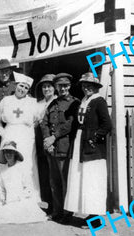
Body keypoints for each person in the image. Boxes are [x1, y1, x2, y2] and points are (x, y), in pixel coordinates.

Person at [64, 72, 112, 227]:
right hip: (80, 144)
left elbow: (107, 125)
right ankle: (82, 213)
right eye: (84, 86)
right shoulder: (83, 101)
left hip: (93, 148)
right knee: (80, 178)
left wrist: (95, 138)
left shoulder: (99, 101)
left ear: (95, 87)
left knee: (93, 180)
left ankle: (95, 218)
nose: (87, 88)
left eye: (90, 86)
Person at [40, 73, 80, 222]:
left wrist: (53, 137)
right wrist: (46, 140)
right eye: (60, 86)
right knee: (54, 182)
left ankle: (67, 213)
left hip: (64, 147)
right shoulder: (53, 104)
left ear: (69, 86)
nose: (62, 88)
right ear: (56, 87)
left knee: (65, 181)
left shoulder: (74, 103)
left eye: (65, 86)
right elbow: (43, 122)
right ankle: (57, 211)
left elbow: (70, 123)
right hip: (51, 149)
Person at [0, 71, 40, 199]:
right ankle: (4, 196)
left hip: (26, 137)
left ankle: (28, 197)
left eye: (26, 88)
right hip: (9, 134)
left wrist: (29, 135)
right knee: (6, 163)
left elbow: (37, 120)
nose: (23, 89)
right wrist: (3, 133)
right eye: (21, 86)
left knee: (26, 165)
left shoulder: (32, 102)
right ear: (16, 85)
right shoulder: (6, 100)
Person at [0, 141, 47, 224]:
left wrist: (20, 199)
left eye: (10, 152)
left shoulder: (22, 167)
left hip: (21, 200)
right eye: (6, 152)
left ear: (15, 154)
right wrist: (3, 199)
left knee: (20, 214)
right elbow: (1, 189)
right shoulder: (3, 171)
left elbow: (28, 187)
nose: (8, 155)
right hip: (8, 201)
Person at [34, 73, 56, 212]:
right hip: (39, 140)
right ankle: (48, 204)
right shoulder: (38, 104)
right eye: (44, 87)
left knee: (55, 174)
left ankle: (58, 206)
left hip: (53, 141)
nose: (46, 89)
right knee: (44, 173)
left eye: (49, 86)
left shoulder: (57, 101)